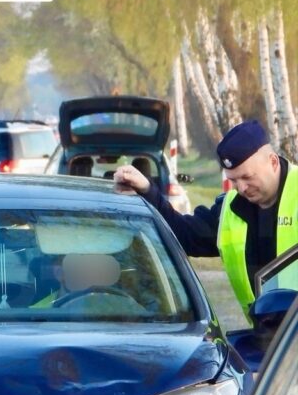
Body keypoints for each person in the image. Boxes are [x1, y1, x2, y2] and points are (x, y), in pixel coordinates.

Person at [114, 119, 298, 313]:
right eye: (233, 180)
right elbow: (185, 235)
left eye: (247, 177)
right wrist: (148, 190)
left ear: (273, 162)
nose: (241, 188)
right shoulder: (231, 208)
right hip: (271, 336)